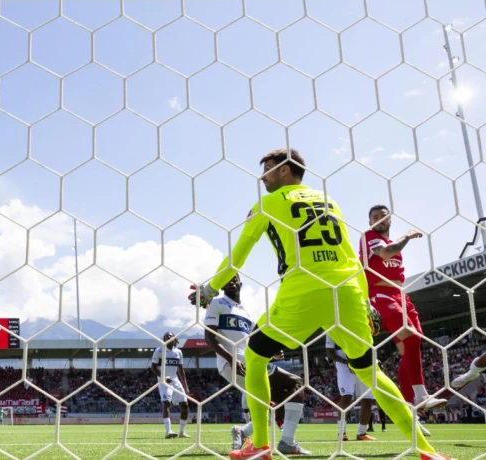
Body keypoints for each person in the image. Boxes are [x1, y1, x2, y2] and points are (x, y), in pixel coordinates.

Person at [189, 149, 454, 460]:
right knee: (370, 372)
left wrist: (210, 288)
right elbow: (349, 256)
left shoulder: (268, 204)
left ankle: (260, 445)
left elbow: (239, 254)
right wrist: (366, 303)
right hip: (346, 293)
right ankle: (426, 451)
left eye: (268, 171)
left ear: (285, 172)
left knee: (256, 354)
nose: (263, 179)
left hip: (303, 290)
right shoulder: (330, 201)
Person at [199, 274, 307, 453]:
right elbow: (209, 338)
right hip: (234, 361)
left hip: (247, 360)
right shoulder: (217, 303)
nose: (231, 281)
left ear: (241, 282)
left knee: (279, 401)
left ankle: (243, 432)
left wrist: (271, 353)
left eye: (235, 278)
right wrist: (232, 359)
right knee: (295, 382)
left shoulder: (245, 312)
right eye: (227, 279)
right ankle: (287, 441)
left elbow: (251, 344)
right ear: (221, 285)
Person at [361, 205, 447, 413]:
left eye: (384, 216)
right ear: (369, 221)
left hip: (401, 296)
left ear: (390, 219)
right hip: (379, 295)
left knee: (410, 347)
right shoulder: (369, 236)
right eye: (375, 217)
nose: (379, 220)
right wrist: (408, 235)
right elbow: (385, 253)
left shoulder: (392, 242)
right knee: (412, 338)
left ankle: (410, 411)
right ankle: (421, 396)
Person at [325, 334, 376, 441]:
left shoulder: (357, 322)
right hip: (344, 365)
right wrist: (346, 362)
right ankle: (341, 432)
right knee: (346, 397)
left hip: (362, 363)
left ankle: (362, 433)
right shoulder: (331, 329)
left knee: (368, 399)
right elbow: (330, 352)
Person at [149, 332, 190, 439]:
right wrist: (163, 377)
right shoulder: (159, 351)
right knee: (166, 403)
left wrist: (185, 386)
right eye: (166, 337)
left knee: (185, 405)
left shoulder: (178, 352)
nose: (168, 338)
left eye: (170, 336)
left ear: (174, 339)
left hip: (175, 380)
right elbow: (153, 367)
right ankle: (168, 431)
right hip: (163, 381)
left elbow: (181, 370)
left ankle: (182, 432)